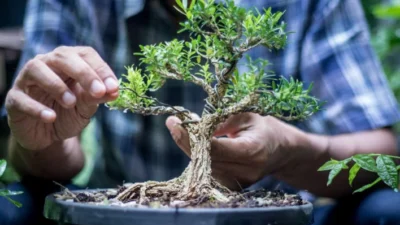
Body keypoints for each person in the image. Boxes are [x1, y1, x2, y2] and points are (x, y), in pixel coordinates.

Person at [1, 0, 400, 224]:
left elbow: (383, 150)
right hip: (121, 211)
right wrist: (41, 139)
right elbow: (44, 156)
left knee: (389, 210)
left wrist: (292, 150)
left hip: (279, 214)